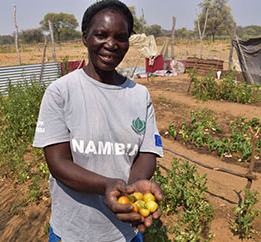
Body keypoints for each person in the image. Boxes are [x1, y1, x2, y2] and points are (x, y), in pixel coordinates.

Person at [33, 0, 164, 241]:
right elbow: (58, 162)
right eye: (101, 35)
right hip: (73, 232)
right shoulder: (61, 92)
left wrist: (132, 189)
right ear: (86, 38)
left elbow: (147, 152)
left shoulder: (139, 95)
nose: (111, 44)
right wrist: (107, 186)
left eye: (121, 37)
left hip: (125, 231)